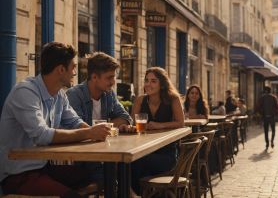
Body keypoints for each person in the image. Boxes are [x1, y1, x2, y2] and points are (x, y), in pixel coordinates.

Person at [0, 42, 110, 197]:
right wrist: (89, 133)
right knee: (72, 196)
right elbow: (42, 135)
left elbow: (74, 122)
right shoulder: (25, 92)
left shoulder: (59, 94)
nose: (75, 72)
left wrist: (96, 132)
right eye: (73, 67)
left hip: (44, 168)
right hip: (18, 175)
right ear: (61, 69)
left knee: (99, 177)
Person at [66, 52, 134, 184]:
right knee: (112, 172)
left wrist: (103, 127)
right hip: (82, 157)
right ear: (94, 77)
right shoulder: (74, 95)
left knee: (132, 164)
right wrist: (102, 128)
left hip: (105, 151)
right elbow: (78, 129)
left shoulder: (108, 94)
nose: (113, 82)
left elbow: (125, 117)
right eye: (109, 78)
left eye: (114, 77)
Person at [130, 67, 184, 195]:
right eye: (147, 80)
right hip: (143, 149)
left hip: (167, 155)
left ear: (162, 84)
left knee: (136, 163)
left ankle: (137, 194)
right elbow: (133, 123)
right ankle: (138, 193)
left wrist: (159, 125)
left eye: (153, 81)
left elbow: (181, 123)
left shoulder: (173, 99)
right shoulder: (140, 100)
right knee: (131, 162)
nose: (148, 84)